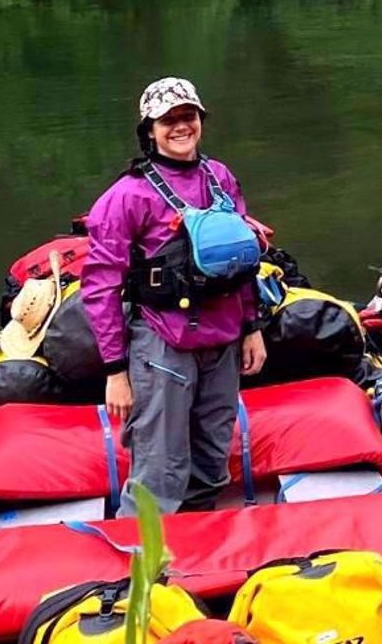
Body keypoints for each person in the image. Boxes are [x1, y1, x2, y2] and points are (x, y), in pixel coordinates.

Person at [83, 77, 267, 516]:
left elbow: (241, 260)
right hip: (163, 345)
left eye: (188, 117)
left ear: (200, 120)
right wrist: (115, 371)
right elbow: (100, 286)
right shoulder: (126, 196)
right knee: (160, 472)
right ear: (150, 130)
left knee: (211, 462)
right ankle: (141, 572)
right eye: (168, 120)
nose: (180, 127)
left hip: (222, 339)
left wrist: (252, 327)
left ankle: (199, 559)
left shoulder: (219, 177)